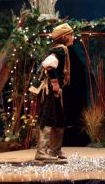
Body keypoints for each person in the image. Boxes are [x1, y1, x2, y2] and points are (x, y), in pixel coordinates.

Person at [35, 23, 74, 160]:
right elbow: (48, 65)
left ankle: (54, 150)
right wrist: (55, 83)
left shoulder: (62, 49)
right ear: (64, 37)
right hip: (51, 91)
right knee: (48, 118)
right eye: (71, 35)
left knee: (59, 119)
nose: (73, 37)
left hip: (57, 92)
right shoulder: (60, 50)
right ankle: (41, 152)